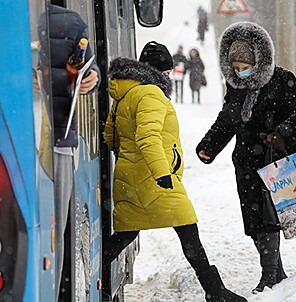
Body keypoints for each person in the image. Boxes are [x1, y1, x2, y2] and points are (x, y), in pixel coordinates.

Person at [102, 51, 246, 302]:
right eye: (166, 71)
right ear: (155, 72)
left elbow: (110, 138)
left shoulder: (124, 95)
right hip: (153, 178)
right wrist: (162, 172)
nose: (169, 76)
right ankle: (215, 291)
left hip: (132, 176)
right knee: (187, 228)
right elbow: (148, 138)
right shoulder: (150, 94)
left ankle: (97, 273)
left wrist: (129, 159)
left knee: (128, 232)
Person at [196, 21, 296, 293]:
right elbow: (227, 121)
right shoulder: (236, 87)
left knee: (272, 217)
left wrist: (282, 131)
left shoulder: (282, 79)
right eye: (235, 67)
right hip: (247, 161)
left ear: (258, 60)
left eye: (244, 65)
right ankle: (277, 272)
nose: (240, 71)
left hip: (278, 159)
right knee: (254, 220)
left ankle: (269, 276)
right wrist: (209, 147)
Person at [38, 4, 100, 301]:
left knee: (53, 231)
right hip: (42, 139)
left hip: (57, 138)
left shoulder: (67, 23)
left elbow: (87, 64)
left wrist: (92, 76)